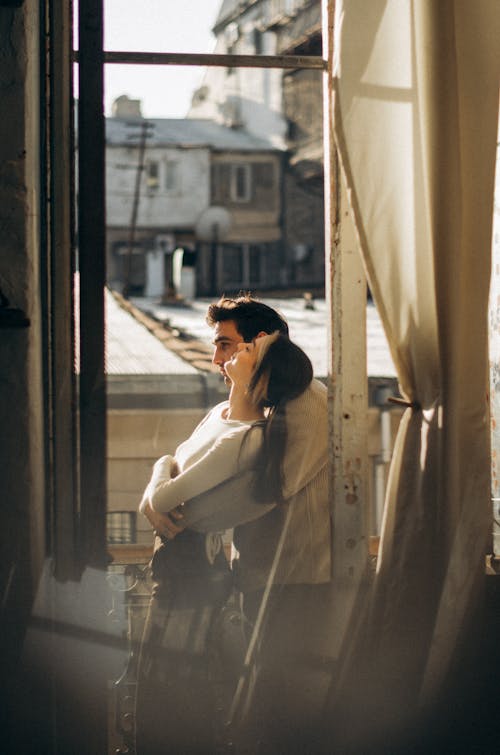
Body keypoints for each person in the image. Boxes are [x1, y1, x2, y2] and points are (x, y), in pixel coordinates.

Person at [156, 296, 331, 753]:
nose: (216, 360)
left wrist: (176, 512)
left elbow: (269, 493)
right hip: (260, 575)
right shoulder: (258, 403)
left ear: (260, 343)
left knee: (284, 706)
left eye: (225, 346)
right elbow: (176, 461)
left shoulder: (305, 402)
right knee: (260, 698)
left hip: (299, 577)